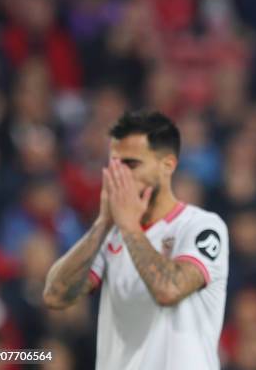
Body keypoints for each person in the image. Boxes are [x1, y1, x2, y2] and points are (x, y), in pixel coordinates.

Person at [43, 111, 229, 370]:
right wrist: (103, 223)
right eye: (114, 165)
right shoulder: (110, 233)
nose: (120, 176)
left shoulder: (201, 226)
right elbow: (55, 296)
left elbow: (169, 290)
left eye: (131, 164)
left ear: (168, 165)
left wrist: (129, 226)